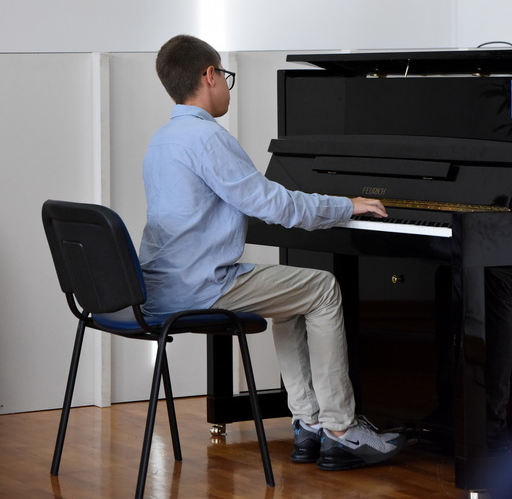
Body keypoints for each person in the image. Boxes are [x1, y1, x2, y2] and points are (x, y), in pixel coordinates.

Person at [139, 34, 406, 470]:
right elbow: (275, 205)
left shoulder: (162, 139)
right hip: (201, 286)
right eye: (225, 76)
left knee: (290, 296)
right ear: (209, 75)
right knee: (322, 288)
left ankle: (307, 424)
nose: (227, 86)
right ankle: (340, 429)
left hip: (162, 284)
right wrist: (346, 205)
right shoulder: (207, 139)